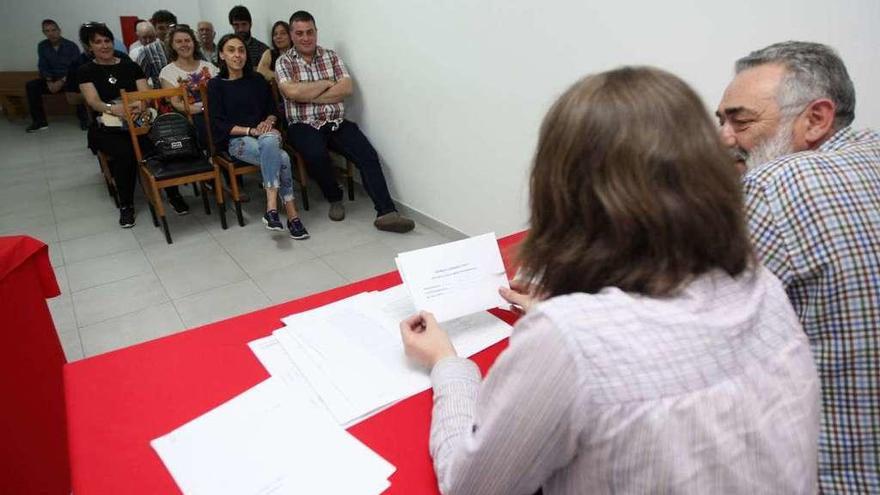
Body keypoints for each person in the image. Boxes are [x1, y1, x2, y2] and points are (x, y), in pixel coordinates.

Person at [400, 67, 820, 494]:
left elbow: (472, 487)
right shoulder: (762, 285)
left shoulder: (568, 339)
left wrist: (447, 364)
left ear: (561, 189)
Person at [717, 41, 880, 493]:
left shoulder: (776, 183)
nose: (724, 138)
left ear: (816, 119)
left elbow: (695, 335)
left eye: (740, 120)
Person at [277, 11, 414, 233]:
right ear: (292, 35)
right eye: (300, 33)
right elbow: (292, 92)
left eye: (310, 32)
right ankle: (334, 197)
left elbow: (347, 88)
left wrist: (307, 93)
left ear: (316, 32)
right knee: (315, 154)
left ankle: (387, 213)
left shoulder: (331, 57)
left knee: (368, 155)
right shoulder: (284, 61)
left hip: (336, 121)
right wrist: (327, 83)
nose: (305, 38)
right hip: (302, 124)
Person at [208, 34, 309, 240]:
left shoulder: (257, 80)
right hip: (238, 141)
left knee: (270, 139)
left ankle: (271, 208)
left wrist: (268, 122)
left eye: (241, 50)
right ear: (221, 55)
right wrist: (250, 130)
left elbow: (272, 110)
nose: (238, 55)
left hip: (265, 136)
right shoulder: (216, 85)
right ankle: (291, 214)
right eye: (231, 50)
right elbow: (219, 124)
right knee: (282, 158)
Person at [76, 23, 149, 228]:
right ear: (89, 46)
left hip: (136, 118)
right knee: (125, 152)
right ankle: (126, 205)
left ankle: (171, 194)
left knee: (156, 143)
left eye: (107, 40)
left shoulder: (130, 65)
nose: (104, 46)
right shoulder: (85, 70)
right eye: (97, 42)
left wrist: (139, 104)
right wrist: (113, 108)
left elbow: (145, 94)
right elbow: (94, 102)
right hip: (107, 124)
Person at [158, 24, 220, 215]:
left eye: (187, 40)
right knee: (204, 126)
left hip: (212, 113)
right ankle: (211, 171)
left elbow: (220, 94)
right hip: (187, 118)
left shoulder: (208, 67)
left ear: (194, 42)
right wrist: (202, 108)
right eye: (179, 41)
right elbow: (177, 104)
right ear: (172, 45)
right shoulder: (167, 72)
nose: (184, 44)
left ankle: (219, 171)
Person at [26, 19, 84, 132]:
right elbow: (42, 65)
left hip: (68, 78)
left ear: (59, 31)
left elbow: (75, 68)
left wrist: (61, 81)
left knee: (78, 85)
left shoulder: (71, 46)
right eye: (47, 31)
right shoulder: (42, 46)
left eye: (53, 30)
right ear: (44, 33)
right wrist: (49, 81)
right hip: (51, 79)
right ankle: (39, 122)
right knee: (31, 86)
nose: (51, 33)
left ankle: (84, 120)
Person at [137, 9, 176, 87]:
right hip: (164, 96)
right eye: (161, 28)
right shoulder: (147, 51)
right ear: (155, 30)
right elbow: (139, 79)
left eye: (169, 27)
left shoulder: (186, 46)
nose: (166, 31)